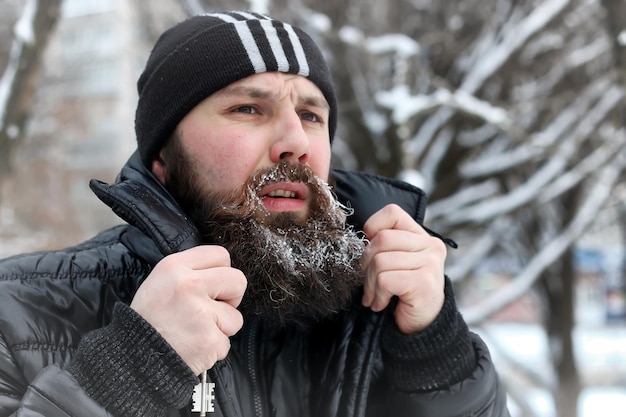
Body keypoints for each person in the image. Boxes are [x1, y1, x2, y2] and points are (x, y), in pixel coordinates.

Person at [0, 11, 510, 417]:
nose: (295, 143)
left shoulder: (388, 308)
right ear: (163, 155)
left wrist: (437, 354)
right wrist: (129, 371)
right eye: (248, 109)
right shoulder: (17, 314)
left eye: (311, 115)